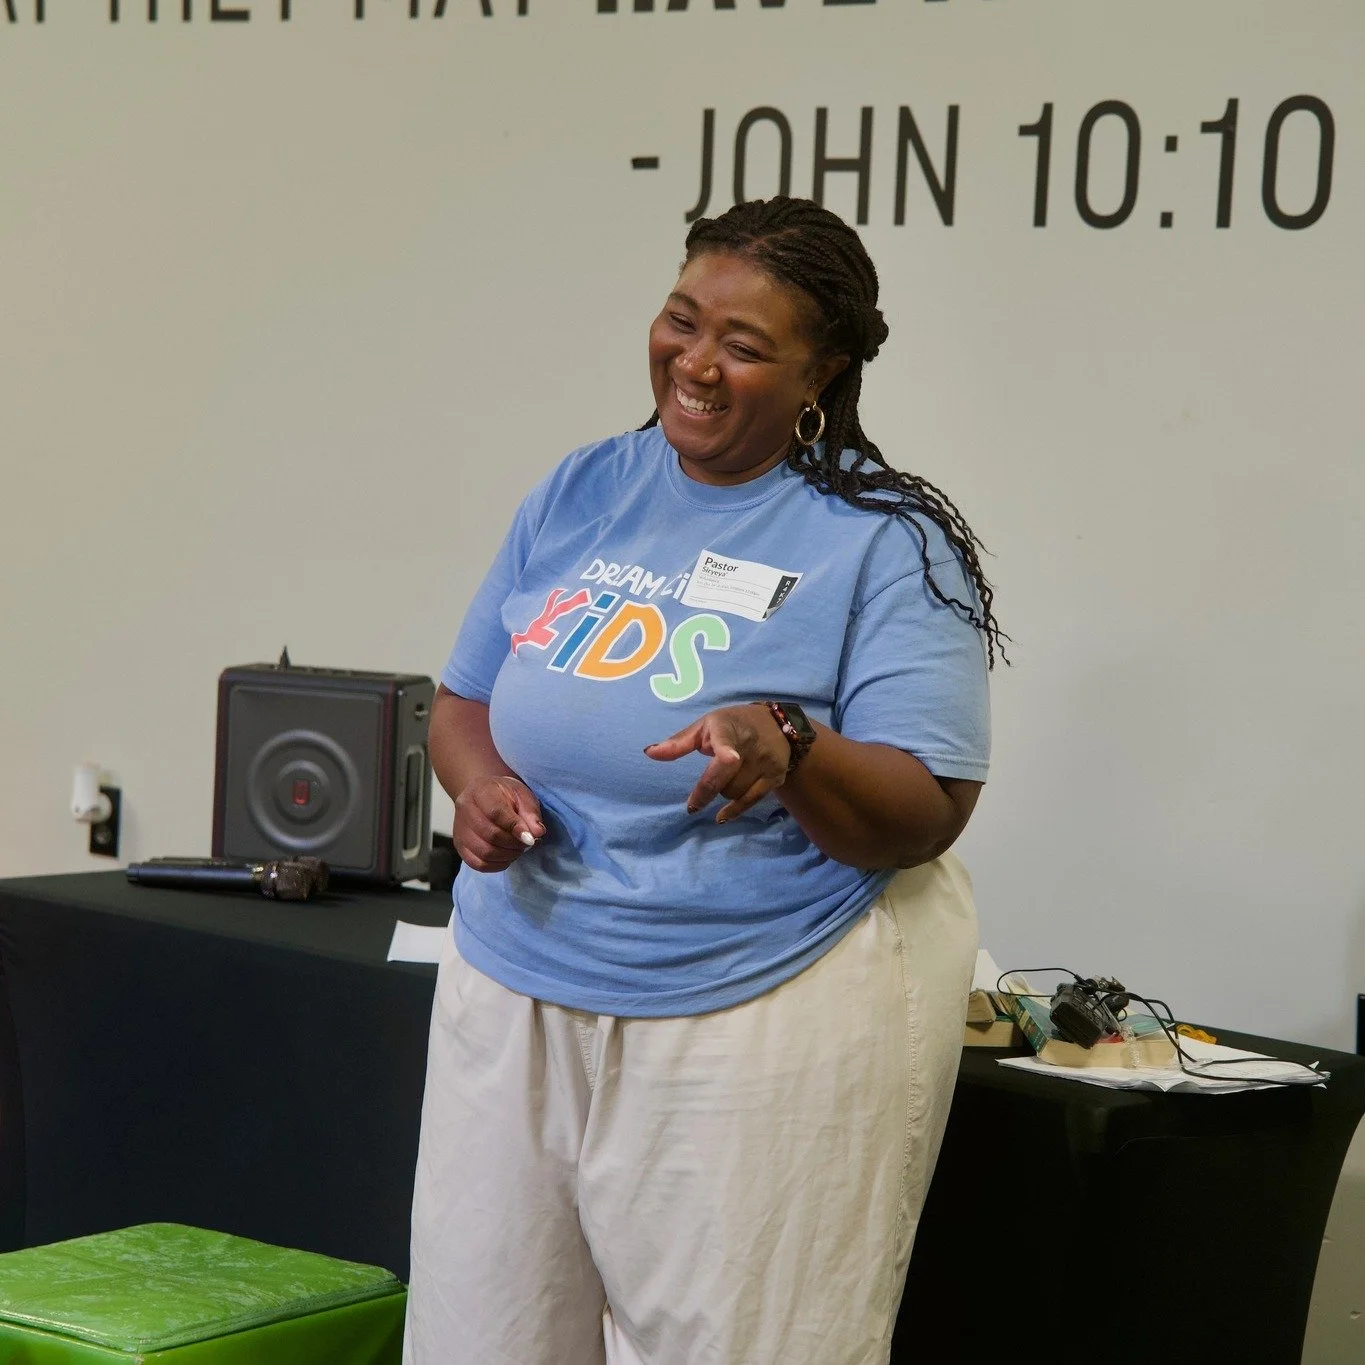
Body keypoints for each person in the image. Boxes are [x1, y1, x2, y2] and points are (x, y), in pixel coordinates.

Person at [404, 196, 1003, 1365]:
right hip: (515, 981)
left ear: (823, 372)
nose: (696, 362)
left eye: (744, 345)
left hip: (747, 1005)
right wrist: (477, 789)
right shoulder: (584, 487)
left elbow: (929, 808)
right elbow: (465, 703)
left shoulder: (886, 541)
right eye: (683, 321)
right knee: (482, 1336)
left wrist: (792, 743)